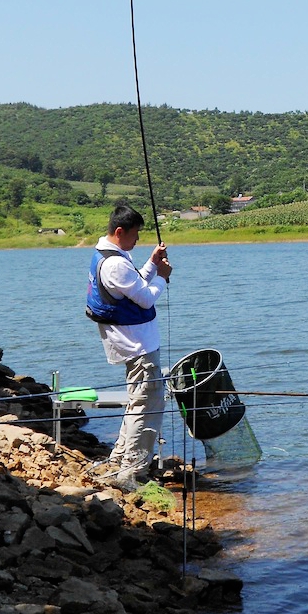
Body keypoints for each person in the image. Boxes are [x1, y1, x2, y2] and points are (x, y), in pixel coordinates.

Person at [86, 202, 172, 489]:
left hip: (132, 344)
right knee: (145, 406)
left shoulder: (108, 256)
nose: (137, 240)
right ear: (120, 231)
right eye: (135, 235)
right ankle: (130, 472)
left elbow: (132, 287)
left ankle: (119, 458)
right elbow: (146, 298)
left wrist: (151, 263)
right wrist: (162, 277)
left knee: (139, 401)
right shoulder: (115, 264)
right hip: (138, 347)